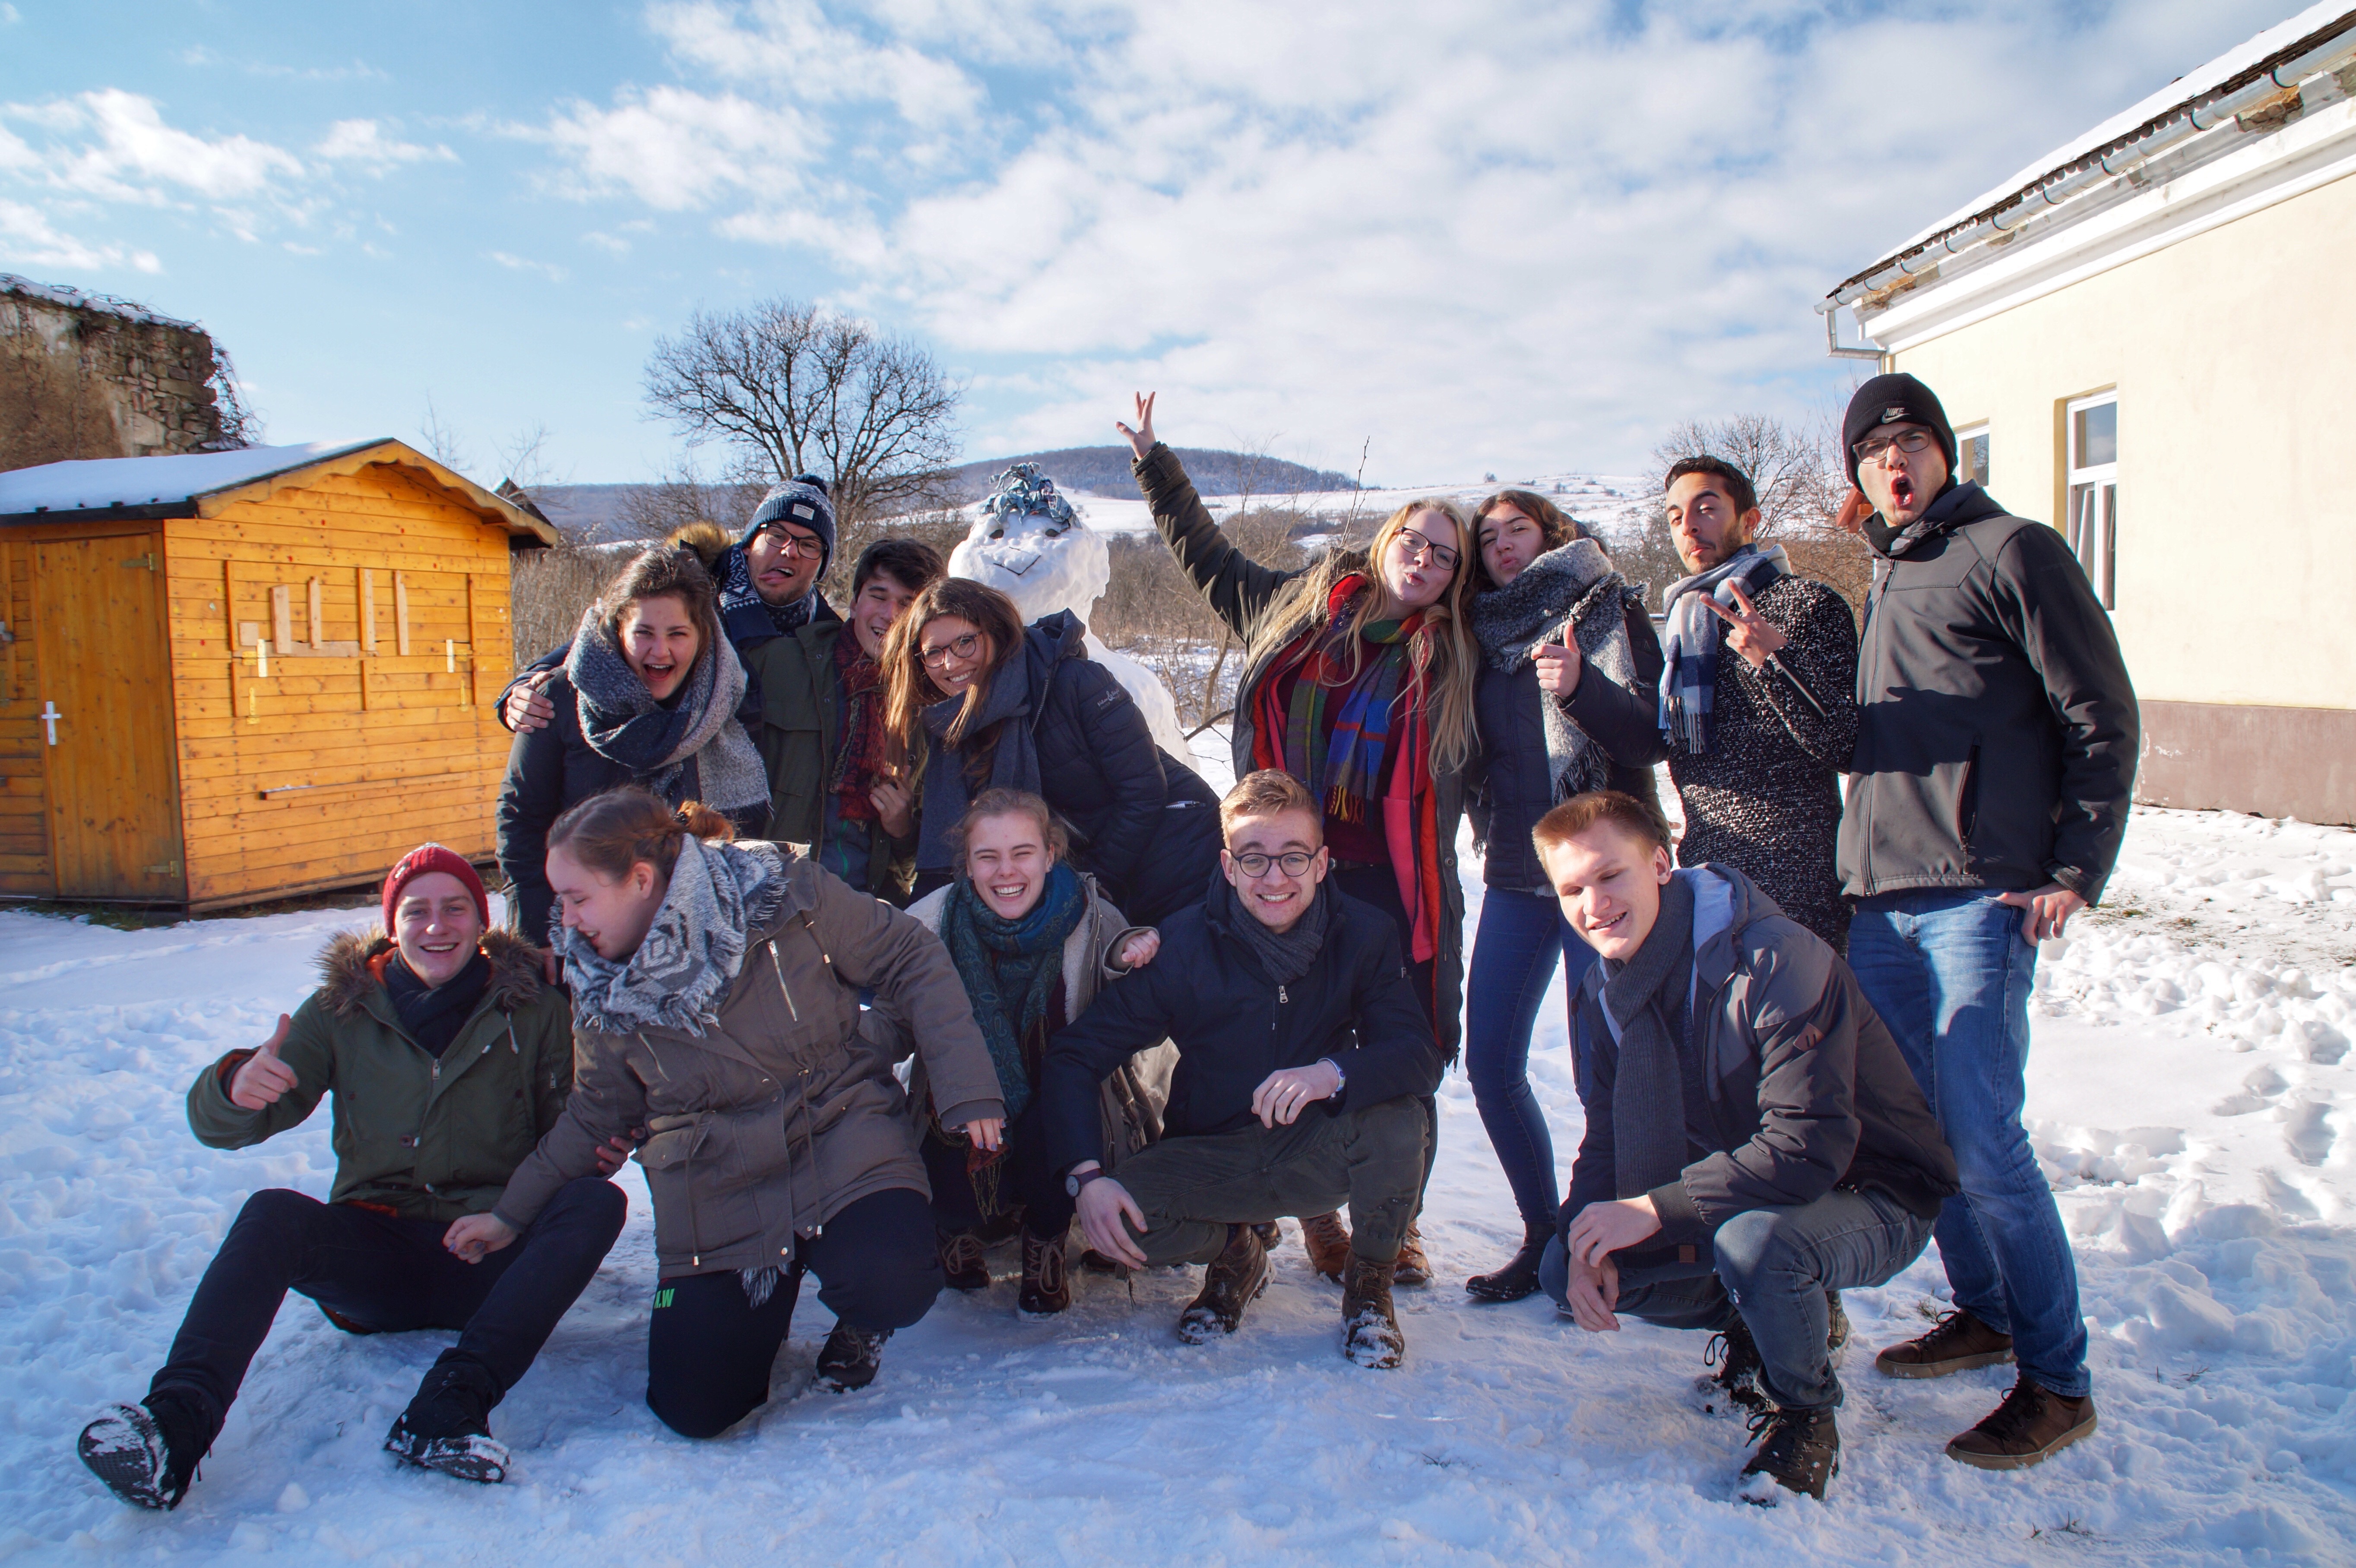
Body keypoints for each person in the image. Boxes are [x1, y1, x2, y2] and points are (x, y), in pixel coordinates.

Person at [76, 847, 627, 1508]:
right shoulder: (342, 1010)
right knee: (270, 1212)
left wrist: (595, 1150)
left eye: (456, 908)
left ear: (480, 921)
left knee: (596, 1203)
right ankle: (174, 1423)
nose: (437, 925)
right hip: (378, 1254)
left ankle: (448, 1410)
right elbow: (224, 1127)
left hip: (493, 1252)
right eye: (416, 910)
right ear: (392, 925)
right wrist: (236, 1087)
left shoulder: (535, 1007)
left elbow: (569, 1127)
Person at [453, 787, 1004, 1440]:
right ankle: (768, 1286)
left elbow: (909, 956)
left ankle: (861, 1309)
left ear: (640, 880)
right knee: (697, 1409)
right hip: (718, 1178)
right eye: (560, 900)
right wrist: (511, 1214)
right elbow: (598, 1112)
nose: (564, 919)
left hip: (833, 1123)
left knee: (894, 1278)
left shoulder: (776, 891)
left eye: (577, 898)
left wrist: (962, 1084)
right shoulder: (598, 980)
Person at [1835, 372, 2137, 1470]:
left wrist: (2075, 862)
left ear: (1943, 452)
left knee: (1985, 1141)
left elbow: (2101, 711)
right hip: (1883, 906)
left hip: (1976, 893)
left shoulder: (2012, 549)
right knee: (1925, 1135)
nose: (1892, 463)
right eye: (1871, 453)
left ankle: (2057, 1379)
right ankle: (1986, 1309)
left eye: (1909, 441)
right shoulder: (1887, 574)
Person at [1121, 392, 1476, 1286]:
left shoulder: (1459, 657)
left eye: (1444, 553)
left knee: (1400, 1041)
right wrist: (1158, 467)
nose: (1424, 559)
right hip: (1278, 871)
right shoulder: (1294, 611)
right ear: (1388, 538)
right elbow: (1205, 558)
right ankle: (1309, 1211)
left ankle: (1392, 1220)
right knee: (1280, 1036)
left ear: (1454, 575)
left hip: (1390, 883)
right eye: (1414, 540)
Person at [1531, 791, 1958, 1502]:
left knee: (1761, 1247)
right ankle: (1764, 1324)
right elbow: (1605, 1136)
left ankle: (1805, 1413)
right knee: (1561, 1264)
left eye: (1611, 876)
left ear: (1662, 863)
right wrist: (1581, 1238)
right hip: (1743, 1186)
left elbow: (1809, 1145)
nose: (1594, 904)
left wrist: (1657, 1208)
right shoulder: (1604, 991)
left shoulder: (1774, 959)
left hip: (1871, 1191)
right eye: (1572, 888)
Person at [1039, 771, 1443, 1366]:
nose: (1274, 878)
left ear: (1323, 863)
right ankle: (1236, 1258)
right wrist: (1086, 1176)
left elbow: (1417, 1055)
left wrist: (1329, 1073)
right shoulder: (1183, 945)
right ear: (1228, 867)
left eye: (1293, 858)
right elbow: (1076, 1055)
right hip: (1215, 1151)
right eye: (1254, 859)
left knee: (1402, 1117)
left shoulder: (1364, 934)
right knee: (1124, 1218)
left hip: (1316, 1146)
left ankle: (1369, 1293)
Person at [503, 507, 944, 909]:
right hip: (777, 899)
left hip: (866, 905)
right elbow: (653, 641)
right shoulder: (783, 659)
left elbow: (918, 847)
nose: (890, 614)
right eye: (879, 595)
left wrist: (903, 826)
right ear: (855, 598)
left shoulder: (927, 707)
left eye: (908, 604)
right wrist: (528, 680)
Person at [1460, 488, 1662, 1302]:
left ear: (1551, 532)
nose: (1505, 545)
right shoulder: (1477, 632)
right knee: (1489, 1063)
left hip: (1603, 874)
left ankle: (1615, 1237)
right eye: (1490, 535)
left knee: (1606, 1073)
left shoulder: (1605, 607)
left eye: (1520, 529)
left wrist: (1581, 687)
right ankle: (1545, 1231)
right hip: (1514, 871)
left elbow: (1650, 732)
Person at [880, 789, 1172, 1315]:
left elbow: (1142, 1029)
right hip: (961, 1113)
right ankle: (957, 1226)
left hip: (1057, 1111)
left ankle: (1046, 1239)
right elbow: (889, 1018)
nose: (1005, 871)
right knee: (953, 1122)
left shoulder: (1091, 915)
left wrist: (1126, 966)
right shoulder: (930, 921)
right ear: (966, 865)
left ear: (1050, 854)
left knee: (1055, 1111)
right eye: (987, 856)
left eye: (1022, 853)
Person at [1553, 457, 1859, 952]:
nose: (1689, 526)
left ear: (1750, 519)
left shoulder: (1805, 603)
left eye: (1706, 508)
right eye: (1675, 516)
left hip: (1797, 876)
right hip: (1708, 872)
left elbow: (1843, 743)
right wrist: (1580, 687)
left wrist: (1775, 660)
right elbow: (1653, 743)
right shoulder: (1680, 624)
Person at [881, 576, 1222, 926]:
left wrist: (1087, 887)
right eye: (934, 653)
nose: (951, 664)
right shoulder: (951, 727)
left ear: (996, 632)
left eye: (965, 643)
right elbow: (960, 840)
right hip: (1108, 882)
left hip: (1178, 855)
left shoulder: (1073, 682)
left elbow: (1145, 791)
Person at [496, 545, 770, 939]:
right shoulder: (561, 697)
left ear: (702, 634)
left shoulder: (727, 698)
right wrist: (535, 930)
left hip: (698, 933)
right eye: (643, 633)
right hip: (579, 933)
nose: (660, 652)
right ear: (617, 629)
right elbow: (520, 818)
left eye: (678, 634)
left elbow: (747, 832)